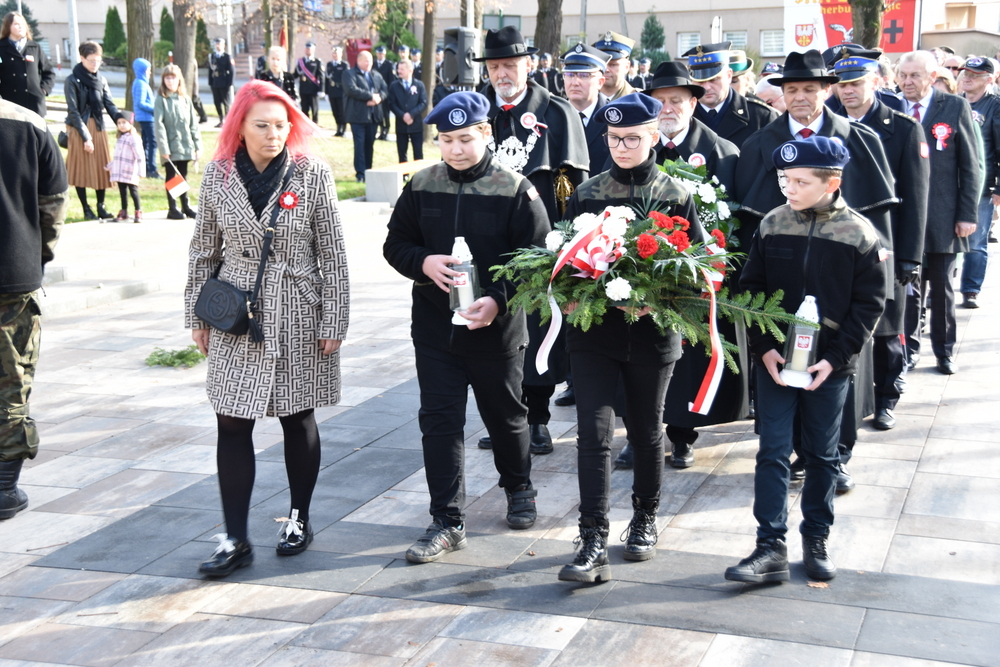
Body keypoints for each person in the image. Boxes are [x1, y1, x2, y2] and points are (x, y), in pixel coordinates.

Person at [185, 80, 350, 577]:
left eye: (283, 125)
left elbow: (333, 254)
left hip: (298, 309)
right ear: (240, 126)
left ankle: (298, 518)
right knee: (231, 420)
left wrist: (335, 319)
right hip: (234, 313)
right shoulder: (217, 177)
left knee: (296, 416)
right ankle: (235, 537)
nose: (274, 134)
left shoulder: (312, 173)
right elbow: (203, 250)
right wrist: (197, 315)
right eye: (263, 125)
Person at [383, 92, 549, 563]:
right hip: (436, 330)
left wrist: (498, 301)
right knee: (439, 422)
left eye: (466, 139)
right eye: (447, 140)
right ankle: (446, 519)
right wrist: (423, 262)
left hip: (494, 331)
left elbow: (536, 259)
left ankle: (518, 488)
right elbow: (395, 244)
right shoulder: (420, 185)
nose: (456, 149)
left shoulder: (515, 189)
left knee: (505, 416)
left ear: (486, 134)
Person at [556, 94, 704, 584]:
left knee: (644, 430)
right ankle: (592, 534)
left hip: (651, 334)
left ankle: (644, 518)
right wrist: (572, 293)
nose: (622, 147)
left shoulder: (675, 194)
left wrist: (655, 301)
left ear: (655, 136)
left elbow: (696, 270)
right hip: (593, 333)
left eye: (633, 138)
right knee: (593, 434)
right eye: (615, 139)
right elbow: (563, 255)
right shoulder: (588, 191)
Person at [726, 136, 886, 584]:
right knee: (772, 450)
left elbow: (869, 305)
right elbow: (751, 288)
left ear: (832, 182)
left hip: (827, 368)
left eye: (799, 181)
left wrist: (835, 359)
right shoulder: (773, 223)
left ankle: (816, 538)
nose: (788, 189)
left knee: (821, 455)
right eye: (784, 179)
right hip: (777, 362)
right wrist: (764, 347)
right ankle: (769, 546)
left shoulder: (859, 233)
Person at [474, 26, 590, 455]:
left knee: (538, 331)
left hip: (541, 242)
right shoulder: (476, 108)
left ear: (528, 65)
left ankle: (536, 421)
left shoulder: (557, 112)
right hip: (486, 243)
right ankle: (505, 417)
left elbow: (576, 186)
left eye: (509, 64)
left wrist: (569, 246)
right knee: (492, 337)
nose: (502, 73)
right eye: (494, 66)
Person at [641, 60, 744, 470]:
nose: (667, 108)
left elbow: (732, 219)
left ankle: (682, 434)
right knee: (642, 354)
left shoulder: (722, 153)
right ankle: (641, 431)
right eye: (659, 101)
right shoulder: (635, 144)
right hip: (643, 273)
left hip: (695, 275)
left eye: (676, 100)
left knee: (688, 356)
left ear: (693, 104)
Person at [834, 55, 929, 434]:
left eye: (856, 83)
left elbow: (915, 198)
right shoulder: (828, 125)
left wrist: (909, 257)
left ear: (875, 82)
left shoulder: (903, 129)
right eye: (842, 84)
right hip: (839, 247)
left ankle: (887, 398)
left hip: (885, 246)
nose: (849, 91)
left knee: (888, 331)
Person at [0, 98, 68, 520]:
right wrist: (36, 255)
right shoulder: (30, 124)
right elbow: (54, 204)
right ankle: (4, 488)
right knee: (11, 382)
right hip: (13, 273)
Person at [898, 50, 980, 375]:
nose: (907, 82)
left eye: (915, 75)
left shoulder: (955, 106)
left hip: (943, 216)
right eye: (903, 76)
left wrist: (968, 214)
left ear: (932, 77)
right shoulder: (892, 107)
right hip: (906, 218)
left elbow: (970, 165)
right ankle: (909, 350)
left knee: (942, 289)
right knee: (909, 288)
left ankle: (944, 351)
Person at [957, 56, 1000, 309]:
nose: (967, 78)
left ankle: (971, 289)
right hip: (950, 184)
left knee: (976, 241)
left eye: (974, 74)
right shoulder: (953, 103)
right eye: (965, 73)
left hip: (981, 187)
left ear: (989, 79)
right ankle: (940, 286)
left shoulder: (995, 106)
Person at [64, 41, 123, 220]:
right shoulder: (72, 80)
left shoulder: (101, 80)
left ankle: (101, 206)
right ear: (82, 58)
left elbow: (110, 104)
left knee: (101, 168)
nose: (95, 64)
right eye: (91, 60)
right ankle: (86, 208)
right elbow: (73, 111)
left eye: (98, 60)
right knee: (81, 169)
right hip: (79, 128)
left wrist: (122, 120)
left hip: (98, 128)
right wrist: (85, 137)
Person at [683, 41, 778, 149]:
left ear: (729, 75)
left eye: (714, 79)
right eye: (700, 81)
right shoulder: (681, 115)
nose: (707, 87)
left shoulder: (761, 116)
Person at [155, 64, 202, 220]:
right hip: (170, 146)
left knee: (183, 176)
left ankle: (186, 206)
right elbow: (159, 125)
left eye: (173, 78)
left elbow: (192, 124)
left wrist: (197, 145)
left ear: (179, 79)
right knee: (172, 176)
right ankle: (172, 207)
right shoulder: (161, 99)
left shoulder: (185, 99)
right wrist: (164, 147)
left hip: (185, 145)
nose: (170, 81)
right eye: (167, 78)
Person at [560, 43, 612, 175]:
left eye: (584, 75)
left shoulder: (613, 118)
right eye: (570, 74)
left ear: (600, 82)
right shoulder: (553, 115)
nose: (575, 82)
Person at [342, 50, 388, 182]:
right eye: (366, 61)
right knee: (360, 145)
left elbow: (385, 89)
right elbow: (351, 89)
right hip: (358, 116)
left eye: (371, 61)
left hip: (373, 117)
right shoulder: (349, 74)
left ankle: (369, 171)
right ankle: (360, 174)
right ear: (359, 61)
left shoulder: (375, 75)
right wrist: (370, 96)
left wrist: (379, 98)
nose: (369, 63)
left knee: (369, 145)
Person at [0, 12, 54, 118]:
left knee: (36, 133)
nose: (21, 27)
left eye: (23, 24)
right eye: (16, 24)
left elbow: (49, 72)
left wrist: (44, 89)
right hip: (10, 102)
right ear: (8, 26)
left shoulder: (34, 47)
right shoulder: (1, 47)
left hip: (34, 102)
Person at [106, 110, 145, 223]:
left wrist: (141, 171)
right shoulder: (120, 138)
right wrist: (110, 166)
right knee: (122, 191)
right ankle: (124, 211)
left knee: (133, 190)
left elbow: (139, 155)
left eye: (124, 122)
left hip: (130, 169)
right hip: (119, 170)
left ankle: (138, 211)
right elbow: (117, 156)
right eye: (119, 123)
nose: (121, 125)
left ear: (130, 123)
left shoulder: (133, 138)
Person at [387, 58, 426, 162]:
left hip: (416, 124)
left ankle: (419, 175)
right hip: (401, 125)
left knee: (418, 153)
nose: (399, 71)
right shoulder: (394, 86)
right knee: (402, 153)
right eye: (398, 69)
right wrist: (402, 115)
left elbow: (423, 103)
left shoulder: (419, 85)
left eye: (402, 69)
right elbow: (391, 104)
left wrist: (411, 114)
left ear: (410, 70)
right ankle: (404, 176)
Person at [131, 58, 161, 179]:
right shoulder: (140, 84)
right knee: (153, 143)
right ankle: (151, 169)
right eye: (148, 70)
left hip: (147, 117)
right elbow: (140, 103)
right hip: (146, 118)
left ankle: (146, 167)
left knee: (147, 143)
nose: (150, 72)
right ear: (142, 70)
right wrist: (155, 109)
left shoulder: (142, 83)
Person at [593, 31, 636, 101]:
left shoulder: (640, 102)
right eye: (602, 64)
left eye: (613, 64)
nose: (606, 69)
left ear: (626, 67)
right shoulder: (580, 101)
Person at [208, 37, 234, 127]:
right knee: (216, 102)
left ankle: (227, 120)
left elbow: (231, 71)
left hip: (224, 82)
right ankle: (221, 119)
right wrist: (210, 82)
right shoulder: (212, 56)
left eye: (219, 44)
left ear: (224, 46)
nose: (217, 46)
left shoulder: (227, 57)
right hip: (215, 82)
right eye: (216, 44)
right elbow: (210, 70)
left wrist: (229, 83)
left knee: (225, 102)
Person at [296, 41, 324, 123]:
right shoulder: (300, 61)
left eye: (309, 49)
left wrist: (321, 90)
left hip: (313, 90)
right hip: (303, 89)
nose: (307, 50)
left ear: (313, 50)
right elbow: (296, 74)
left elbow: (321, 76)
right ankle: (306, 125)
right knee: (304, 109)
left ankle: (315, 125)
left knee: (314, 110)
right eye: (306, 48)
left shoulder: (317, 61)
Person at [325, 46, 349, 137]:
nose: (335, 55)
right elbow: (326, 79)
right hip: (332, 91)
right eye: (333, 53)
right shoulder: (329, 65)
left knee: (342, 111)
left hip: (341, 91)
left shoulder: (344, 65)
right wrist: (326, 92)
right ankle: (338, 128)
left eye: (337, 53)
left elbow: (347, 79)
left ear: (341, 54)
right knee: (335, 111)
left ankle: (343, 129)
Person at [374, 46, 394, 140]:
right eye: (379, 53)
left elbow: (391, 80)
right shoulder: (373, 64)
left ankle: (386, 130)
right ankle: (381, 129)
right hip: (376, 93)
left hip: (385, 93)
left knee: (385, 113)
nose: (380, 55)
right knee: (378, 113)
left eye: (382, 53)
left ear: (385, 54)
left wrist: (389, 93)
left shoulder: (389, 64)